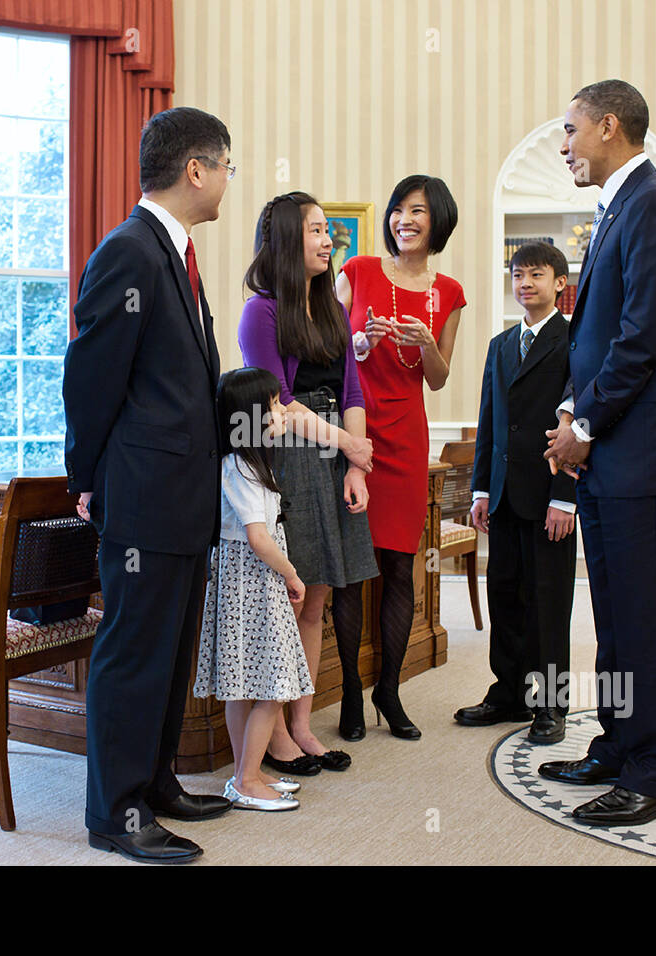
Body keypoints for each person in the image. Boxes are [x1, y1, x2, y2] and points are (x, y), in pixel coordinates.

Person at [63, 106, 235, 864]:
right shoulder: (129, 253)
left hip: (184, 499)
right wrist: (88, 478)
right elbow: (91, 377)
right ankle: (116, 813)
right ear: (195, 169)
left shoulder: (180, 254)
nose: (229, 180)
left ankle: (156, 781)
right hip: (142, 494)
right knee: (134, 653)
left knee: (169, 650)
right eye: (226, 165)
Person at [542, 80, 656, 826]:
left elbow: (644, 338)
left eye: (572, 130)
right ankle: (618, 743)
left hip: (644, 451)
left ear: (609, 126)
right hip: (614, 447)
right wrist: (576, 412)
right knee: (614, 615)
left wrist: (584, 427)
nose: (565, 146)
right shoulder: (622, 207)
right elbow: (603, 338)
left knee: (646, 619)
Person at [238, 192, 378, 774]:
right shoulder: (261, 312)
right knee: (289, 600)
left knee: (318, 597)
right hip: (292, 460)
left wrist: (354, 465)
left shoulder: (333, 310)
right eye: (318, 231)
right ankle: (271, 737)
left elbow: (351, 392)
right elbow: (280, 405)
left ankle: (300, 724)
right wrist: (348, 445)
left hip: (332, 459)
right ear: (288, 241)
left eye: (329, 231)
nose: (329, 241)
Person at [334, 175, 465, 739]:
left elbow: (438, 379)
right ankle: (347, 698)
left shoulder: (450, 292)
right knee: (348, 571)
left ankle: (389, 691)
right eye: (397, 210)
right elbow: (330, 353)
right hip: (356, 430)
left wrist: (425, 345)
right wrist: (361, 342)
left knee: (398, 567)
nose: (403, 220)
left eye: (417, 211)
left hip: (408, 436)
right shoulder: (356, 271)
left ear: (438, 220)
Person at [458, 241, 577, 745]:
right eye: (517, 274)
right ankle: (507, 691)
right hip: (504, 493)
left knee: (548, 603)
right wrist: (481, 488)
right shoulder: (501, 345)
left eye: (536, 274)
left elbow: (579, 423)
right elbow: (490, 423)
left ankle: (550, 704)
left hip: (549, 495)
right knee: (504, 594)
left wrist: (564, 497)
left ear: (558, 284)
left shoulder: (575, 341)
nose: (525, 282)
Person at [195, 367, 314, 811]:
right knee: (272, 686)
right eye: (275, 404)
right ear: (250, 416)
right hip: (255, 584)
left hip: (244, 583)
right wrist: (292, 574)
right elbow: (258, 537)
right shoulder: (243, 467)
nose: (283, 410)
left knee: (243, 684)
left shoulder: (244, 463)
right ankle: (246, 780)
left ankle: (248, 771)